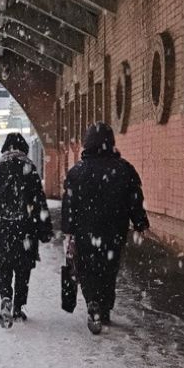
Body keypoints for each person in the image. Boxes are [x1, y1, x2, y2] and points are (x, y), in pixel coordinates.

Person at [62, 122, 148, 334]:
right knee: (108, 271)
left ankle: (92, 302)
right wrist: (139, 222)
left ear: (86, 143)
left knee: (87, 269)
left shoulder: (77, 172)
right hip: (114, 231)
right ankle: (105, 308)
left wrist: (69, 229)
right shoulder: (124, 169)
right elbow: (134, 199)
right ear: (111, 142)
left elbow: (69, 205)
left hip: (86, 231)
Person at [0, 133, 53, 328]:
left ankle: (6, 297)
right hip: (26, 229)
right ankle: (18, 307)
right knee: (23, 269)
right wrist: (45, 230)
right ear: (24, 149)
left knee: (4, 267)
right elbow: (39, 202)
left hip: (2, 229)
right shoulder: (30, 169)